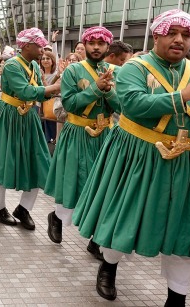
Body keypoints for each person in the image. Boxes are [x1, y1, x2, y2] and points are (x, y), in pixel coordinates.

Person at [73, 9, 190, 305]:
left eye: (186, 35)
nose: (179, 40)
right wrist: (183, 96)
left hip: (187, 162)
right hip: (139, 156)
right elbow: (132, 104)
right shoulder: (136, 67)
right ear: (156, 35)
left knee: (183, 230)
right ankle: (108, 266)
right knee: (124, 219)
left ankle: (177, 298)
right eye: (172, 33)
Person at [0, 28, 61, 230]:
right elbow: (26, 91)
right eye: (39, 45)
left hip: (28, 117)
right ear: (27, 46)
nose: (42, 49)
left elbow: (39, 93)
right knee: (2, 161)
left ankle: (23, 208)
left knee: (38, 162)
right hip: (9, 116)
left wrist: (54, 85)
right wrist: (54, 88)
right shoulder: (12, 65)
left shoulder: (33, 65)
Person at [44, 26, 119, 257]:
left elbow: (121, 107)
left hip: (105, 134)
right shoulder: (73, 71)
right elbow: (69, 104)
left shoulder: (115, 71)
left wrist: (107, 93)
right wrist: (96, 89)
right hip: (77, 131)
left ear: (108, 46)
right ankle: (57, 216)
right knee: (73, 181)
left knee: (104, 187)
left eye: (101, 43)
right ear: (85, 45)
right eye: (92, 42)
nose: (96, 47)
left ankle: (97, 239)